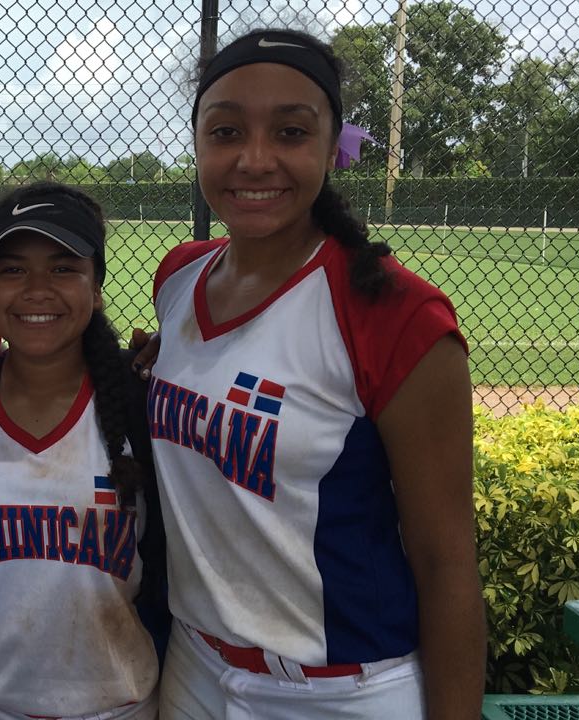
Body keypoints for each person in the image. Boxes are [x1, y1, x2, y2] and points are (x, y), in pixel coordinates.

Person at [149, 29, 485, 720]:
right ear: (198, 142)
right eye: (226, 130)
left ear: (333, 146)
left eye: (291, 131)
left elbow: (446, 562)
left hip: (339, 691)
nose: (254, 158)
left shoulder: (396, 313)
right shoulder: (179, 278)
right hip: (193, 669)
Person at [0, 182, 163, 719]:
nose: (37, 289)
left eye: (64, 268)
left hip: (121, 705)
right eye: (12, 269)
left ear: (98, 286)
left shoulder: (142, 404)